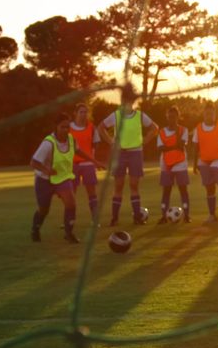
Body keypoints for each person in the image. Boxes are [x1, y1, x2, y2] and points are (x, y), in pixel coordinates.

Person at [30, 112, 106, 244]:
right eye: (62, 127)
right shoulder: (48, 143)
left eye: (67, 127)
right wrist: (47, 170)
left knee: (71, 204)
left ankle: (69, 233)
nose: (65, 130)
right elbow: (34, 162)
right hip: (44, 180)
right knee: (44, 209)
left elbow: (79, 151)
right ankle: (35, 229)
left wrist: (95, 161)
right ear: (56, 127)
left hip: (63, 178)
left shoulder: (71, 139)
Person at [99, 100, 158, 226]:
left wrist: (145, 140)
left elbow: (155, 128)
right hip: (120, 153)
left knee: (134, 185)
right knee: (118, 186)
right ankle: (114, 218)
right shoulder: (116, 115)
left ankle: (137, 217)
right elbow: (101, 128)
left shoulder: (140, 115)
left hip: (135, 153)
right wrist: (111, 142)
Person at [157, 105, 192, 223]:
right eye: (170, 116)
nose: (172, 119)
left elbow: (181, 144)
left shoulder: (183, 130)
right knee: (166, 191)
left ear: (178, 117)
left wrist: (170, 145)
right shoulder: (161, 132)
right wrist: (175, 147)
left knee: (183, 190)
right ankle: (163, 216)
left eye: (174, 117)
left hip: (180, 164)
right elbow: (161, 148)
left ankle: (187, 215)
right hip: (166, 164)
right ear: (167, 117)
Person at [69, 103, 102, 219]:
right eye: (81, 112)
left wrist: (92, 158)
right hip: (72, 164)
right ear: (75, 113)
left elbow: (96, 144)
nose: (83, 114)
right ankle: (69, 219)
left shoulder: (91, 128)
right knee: (71, 193)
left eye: (85, 112)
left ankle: (95, 219)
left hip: (88, 164)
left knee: (92, 192)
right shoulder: (68, 127)